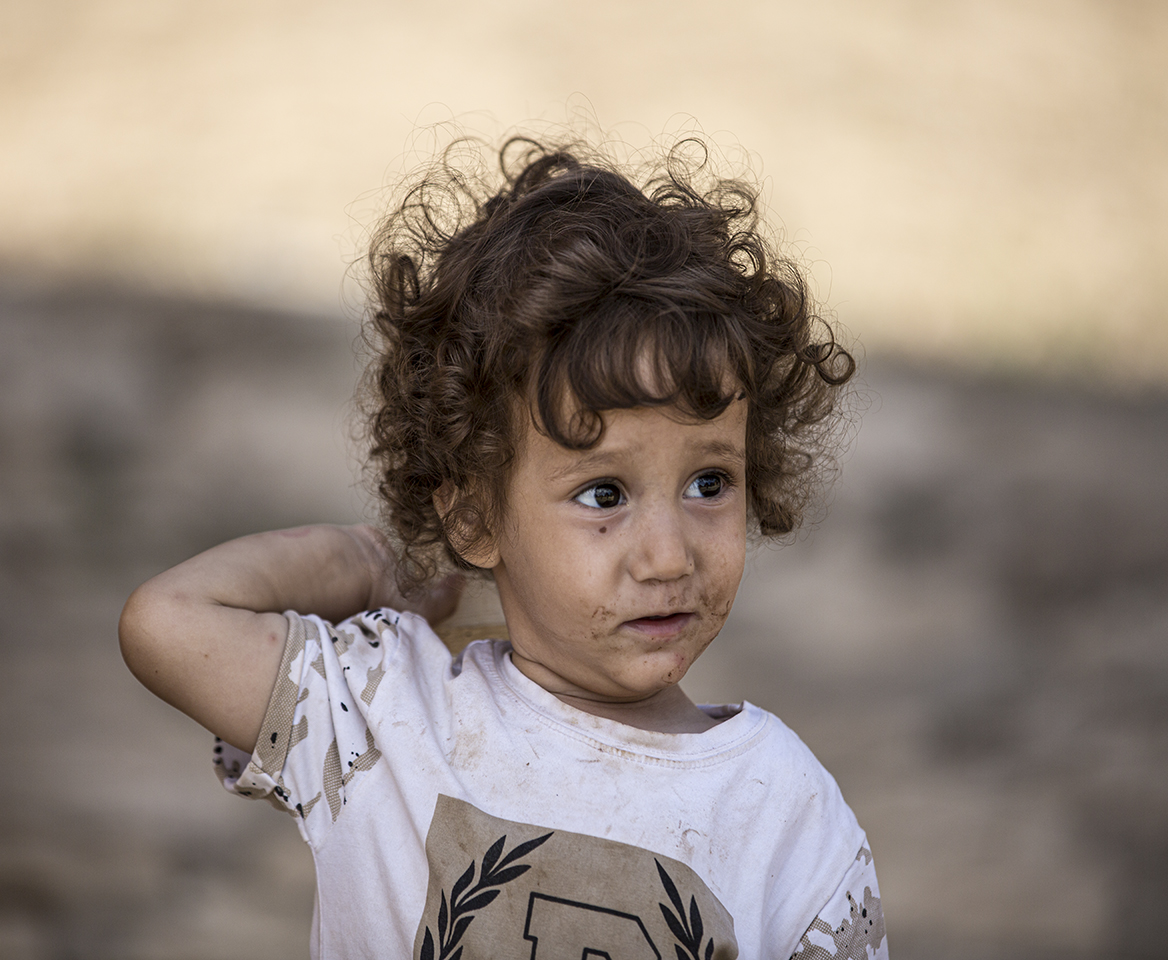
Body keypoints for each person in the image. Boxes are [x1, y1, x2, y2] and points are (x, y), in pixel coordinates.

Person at [119, 134, 887, 959]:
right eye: (604, 495)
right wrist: (362, 563)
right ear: (476, 518)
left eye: (709, 484)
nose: (668, 557)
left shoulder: (784, 809)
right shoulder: (382, 714)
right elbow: (167, 622)